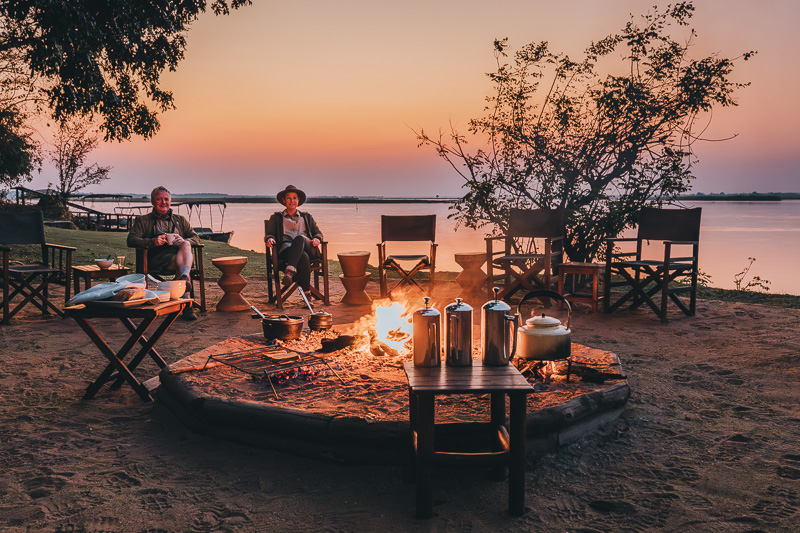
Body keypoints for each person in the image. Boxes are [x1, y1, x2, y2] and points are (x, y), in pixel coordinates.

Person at [127, 186, 200, 320]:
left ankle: (183, 279)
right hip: (156, 259)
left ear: (170, 201)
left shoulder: (180, 220)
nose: (163, 202)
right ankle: (186, 304)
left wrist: (183, 240)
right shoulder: (143, 220)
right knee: (183, 263)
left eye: (166, 199)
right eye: (159, 199)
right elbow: (131, 239)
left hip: (179, 258)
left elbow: (195, 237)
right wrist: (152, 241)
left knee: (186, 245)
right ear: (152, 202)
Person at [265, 185, 323, 297]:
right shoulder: (276, 217)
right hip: (287, 250)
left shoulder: (307, 217)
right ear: (284, 200)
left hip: (307, 246)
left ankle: (289, 271)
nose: (292, 201)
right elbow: (269, 234)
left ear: (298, 200)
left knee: (300, 238)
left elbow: (318, 233)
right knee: (303, 256)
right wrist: (270, 239)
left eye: (294, 198)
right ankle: (307, 295)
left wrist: (317, 238)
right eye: (288, 198)